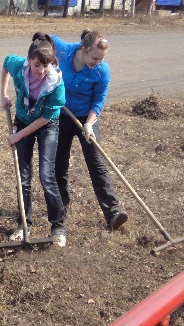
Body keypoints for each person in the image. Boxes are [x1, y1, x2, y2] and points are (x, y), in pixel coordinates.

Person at [52, 31, 128, 231]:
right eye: (95, 57)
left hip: (87, 118)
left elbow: (99, 100)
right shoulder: (65, 51)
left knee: (97, 163)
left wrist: (90, 124)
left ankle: (113, 213)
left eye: (101, 58)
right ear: (83, 49)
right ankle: (60, 209)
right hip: (62, 115)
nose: (98, 62)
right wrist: (39, 42)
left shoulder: (102, 71)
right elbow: (47, 39)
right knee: (59, 165)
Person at [1, 32, 67, 247]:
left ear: (52, 63)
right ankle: (23, 225)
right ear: (29, 60)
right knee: (24, 175)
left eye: (45, 66)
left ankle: (58, 227)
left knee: (46, 175)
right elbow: (5, 62)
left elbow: (46, 117)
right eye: (37, 65)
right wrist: (3, 93)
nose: (41, 70)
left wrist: (18, 135)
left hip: (47, 125)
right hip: (22, 118)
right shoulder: (19, 67)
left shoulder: (56, 84)